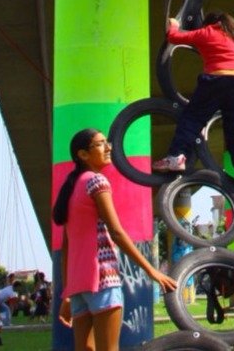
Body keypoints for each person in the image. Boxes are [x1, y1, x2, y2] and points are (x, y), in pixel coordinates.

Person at [55, 128, 176, 351]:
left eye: (106, 142)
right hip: (103, 277)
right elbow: (117, 232)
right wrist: (152, 271)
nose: (108, 147)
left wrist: (67, 294)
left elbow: (67, 246)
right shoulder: (96, 182)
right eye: (100, 144)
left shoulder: (72, 187)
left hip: (79, 285)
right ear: (83, 154)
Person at [152, 12, 234, 179]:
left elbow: (174, 37)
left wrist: (172, 24)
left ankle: (176, 157)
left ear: (209, 23)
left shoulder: (206, 32)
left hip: (216, 77)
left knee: (193, 118)